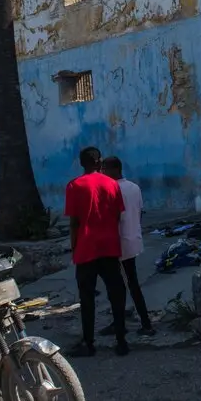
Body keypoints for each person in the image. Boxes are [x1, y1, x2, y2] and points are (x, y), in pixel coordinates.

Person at [65, 146, 129, 357]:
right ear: (99, 162)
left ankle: (89, 342)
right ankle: (121, 340)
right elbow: (118, 215)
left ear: (81, 163)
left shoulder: (74, 186)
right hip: (109, 246)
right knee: (116, 293)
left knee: (87, 297)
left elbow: (74, 222)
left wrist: (74, 246)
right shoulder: (112, 184)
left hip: (86, 248)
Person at [99, 156, 155, 338]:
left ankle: (133, 323)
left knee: (119, 286)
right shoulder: (134, 187)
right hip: (133, 240)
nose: (102, 174)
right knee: (131, 283)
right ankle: (138, 322)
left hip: (118, 243)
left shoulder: (110, 189)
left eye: (104, 170)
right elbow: (138, 213)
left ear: (113, 169)